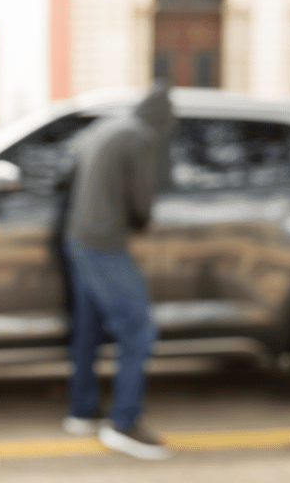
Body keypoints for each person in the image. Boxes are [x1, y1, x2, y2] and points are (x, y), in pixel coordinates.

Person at [59, 83, 175, 460]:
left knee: (89, 331)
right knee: (139, 332)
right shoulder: (141, 137)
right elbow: (141, 199)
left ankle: (82, 411)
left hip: (77, 236)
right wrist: (142, 222)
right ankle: (124, 423)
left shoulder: (107, 127)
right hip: (107, 243)